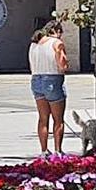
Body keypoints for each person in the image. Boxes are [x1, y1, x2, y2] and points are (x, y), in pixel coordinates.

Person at [29, 20, 69, 155]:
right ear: (57, 31)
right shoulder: (56, 43)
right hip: (52, 79)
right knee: (58, 119)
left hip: (36, 80)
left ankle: (44, 150)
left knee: (43, 118)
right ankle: (58, 150)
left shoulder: (34, 44)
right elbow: (62, 65)